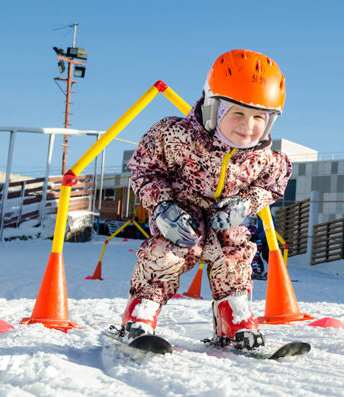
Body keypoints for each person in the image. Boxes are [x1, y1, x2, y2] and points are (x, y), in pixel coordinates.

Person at [119, 49, 292, 350]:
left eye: (258, 117)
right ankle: (141, 313)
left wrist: (246, 203)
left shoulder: (265, 159)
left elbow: (273, 185)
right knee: (167, 253)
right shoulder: (175, 136)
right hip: (180, 213)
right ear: (213, 107)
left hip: (223, 219)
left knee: (235, 252)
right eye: (236, 112)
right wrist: (161, 205)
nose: (247, 126)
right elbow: (143, 168)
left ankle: (232, 316)